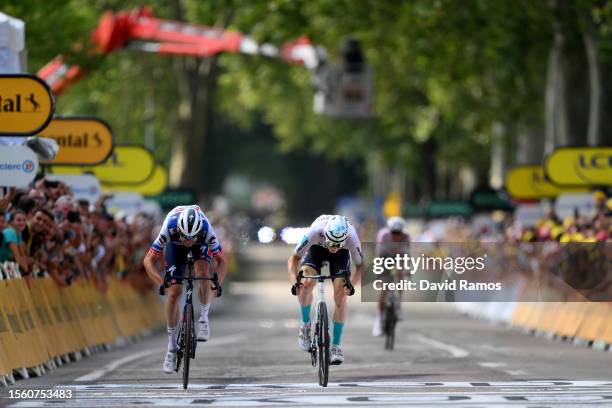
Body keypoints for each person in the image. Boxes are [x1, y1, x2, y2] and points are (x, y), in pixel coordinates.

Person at [143, 205, 227, 374]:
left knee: (203, 273)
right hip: (175, 248)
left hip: (200, 245)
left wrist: (218, 282)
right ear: (179, 230)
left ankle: (203, 318)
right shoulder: (169, 228)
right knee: (173, 294)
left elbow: (222, 261)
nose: (188, 242)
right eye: (184, 237)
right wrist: (161, 282)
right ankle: (171, 348)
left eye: (191, 238)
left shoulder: (205, 230)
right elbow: (148, 261)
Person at [288, 214, 364, 365]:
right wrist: (295, 282)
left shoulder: (351, 237)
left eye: (338, 244)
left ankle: (335, 346)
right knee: (306, 283)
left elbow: (361, 266)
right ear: (326, 235)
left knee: (341, 294)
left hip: (341, 258)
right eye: (331, 243)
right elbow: (294, 259)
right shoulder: (315, 231)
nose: (334, 248)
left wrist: (351, 286)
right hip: (316, 249)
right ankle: (305, 325)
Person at [372, 216, 410, 337]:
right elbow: (379, 257)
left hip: (399, 257)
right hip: (384, 257)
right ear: (389, 231)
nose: (396, 236)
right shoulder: (383, 235)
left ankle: (398, 303)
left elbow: (407, 256)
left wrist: (405, 269)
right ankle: (379, 319)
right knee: (385, 287)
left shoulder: (407, 237)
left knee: (401, 275)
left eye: (398, 233)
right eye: (393, 233)